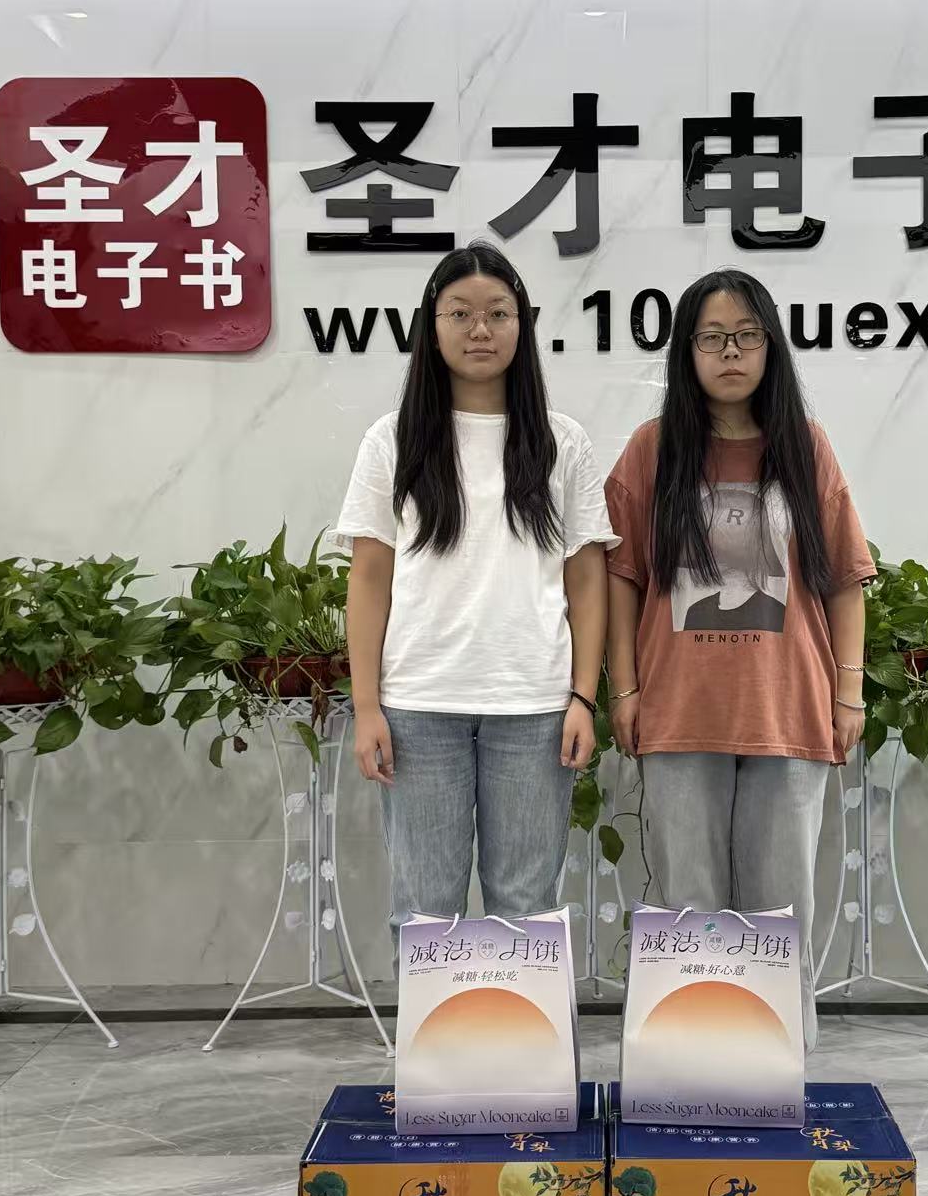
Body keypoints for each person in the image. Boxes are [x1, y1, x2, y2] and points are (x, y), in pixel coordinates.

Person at [604, 268, 875, 1046]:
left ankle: (773, 1064)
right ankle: (691, 1063)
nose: (730, 352)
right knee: (686, 902)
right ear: (686, 350)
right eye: (713, 337)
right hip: (677, 710)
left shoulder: (804, 447)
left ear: (769, 347)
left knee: (779, 908)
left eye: (746, 336)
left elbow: (845, 578)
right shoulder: (652, 449)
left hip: (785, 710)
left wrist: (848, 693)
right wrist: (624, 688)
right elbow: (621, 576)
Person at [336, 241, 614, 948]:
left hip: (533, 706)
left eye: (497, 314)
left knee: (526, 905)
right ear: (432, 327)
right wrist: (366, 708)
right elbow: (368, 578)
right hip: (418, 705)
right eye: (459, 314)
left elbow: (586, 578)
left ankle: (521, 1031)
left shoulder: (562, 442)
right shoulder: (392, 440)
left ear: (522, 325)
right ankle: (435, 1032)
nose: (480, 330)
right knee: (424, 911)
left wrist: (583, 697)